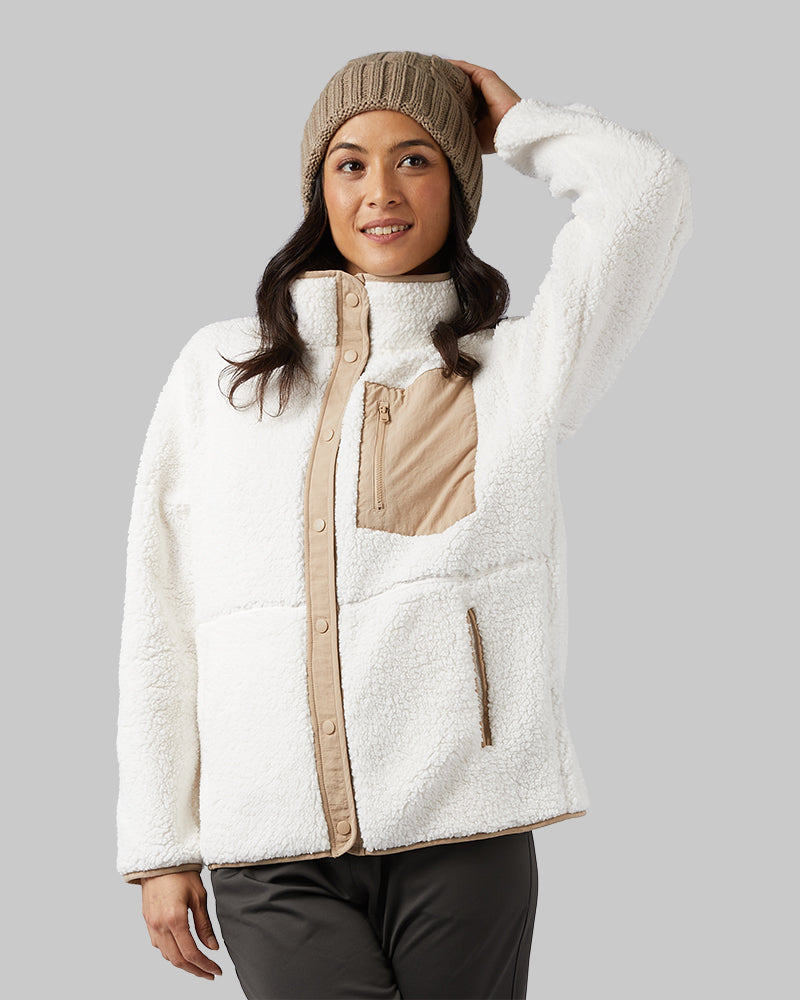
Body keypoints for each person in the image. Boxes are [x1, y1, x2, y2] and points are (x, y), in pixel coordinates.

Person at [116, 52, 692, 999]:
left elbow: (646, 193)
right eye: (351, 163)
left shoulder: (515, 371)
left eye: (416, 159)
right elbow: (160, 611)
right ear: (320, 189)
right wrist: (159, 843)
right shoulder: (219, 371)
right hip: (269, 842)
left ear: (458, 183)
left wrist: (518, 126)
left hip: (461, 827)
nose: (380, 191)